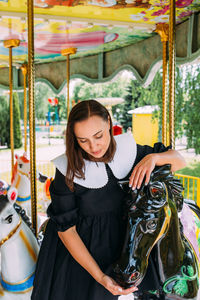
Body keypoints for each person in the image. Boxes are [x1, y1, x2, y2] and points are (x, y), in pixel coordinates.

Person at [31, 100, 186, 300]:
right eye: (83, 140)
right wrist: (101, 277)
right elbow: (66, 231)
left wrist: (154, 158)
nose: (93, 146)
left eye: (99, 136)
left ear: (109, 125)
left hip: (126, 245)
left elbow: (179, 160)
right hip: (82, 255)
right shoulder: (67, 170)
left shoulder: (130, 151)